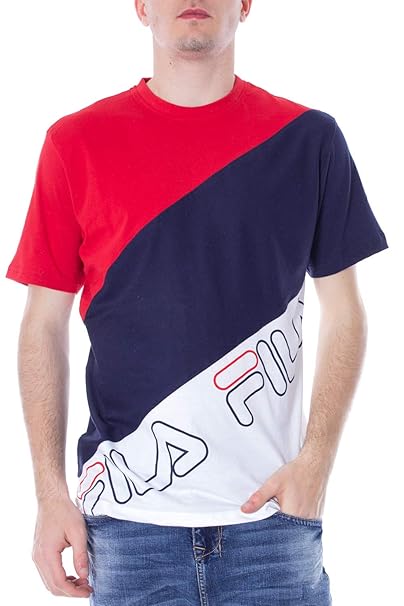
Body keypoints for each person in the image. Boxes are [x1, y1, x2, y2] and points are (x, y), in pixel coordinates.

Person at [5, 1, 389, 604]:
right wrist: (50, 493)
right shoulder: (75, 143)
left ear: (245, 5)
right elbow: (42, 324)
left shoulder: (307, 139)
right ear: (141, 7)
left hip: (272, 524)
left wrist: (317, 460)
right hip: (126, 525)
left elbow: (345, 311)